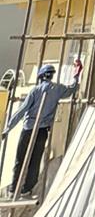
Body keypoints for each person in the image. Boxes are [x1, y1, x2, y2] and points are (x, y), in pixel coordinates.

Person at [4, 63, 73, 199]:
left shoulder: (35, 91)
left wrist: (8, 128)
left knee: (20, 158)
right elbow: (72, 89)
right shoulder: (58, 89)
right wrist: (76, 76)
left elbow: (22, 110)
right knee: (35, 160)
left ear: (40, 77)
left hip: (29, 129)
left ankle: (14, 189)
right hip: (42, 131)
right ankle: (27, 189)